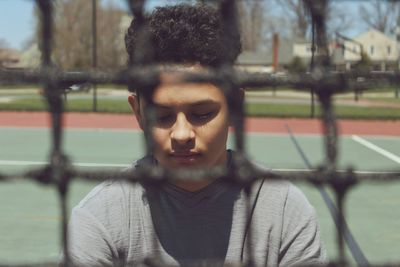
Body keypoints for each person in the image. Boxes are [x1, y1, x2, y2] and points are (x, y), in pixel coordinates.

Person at [67, 4, 326, 266]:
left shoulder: (284, 210)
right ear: (138, 113)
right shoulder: (99, 218)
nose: (181, 134)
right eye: (162, 116)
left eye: (202, 113)